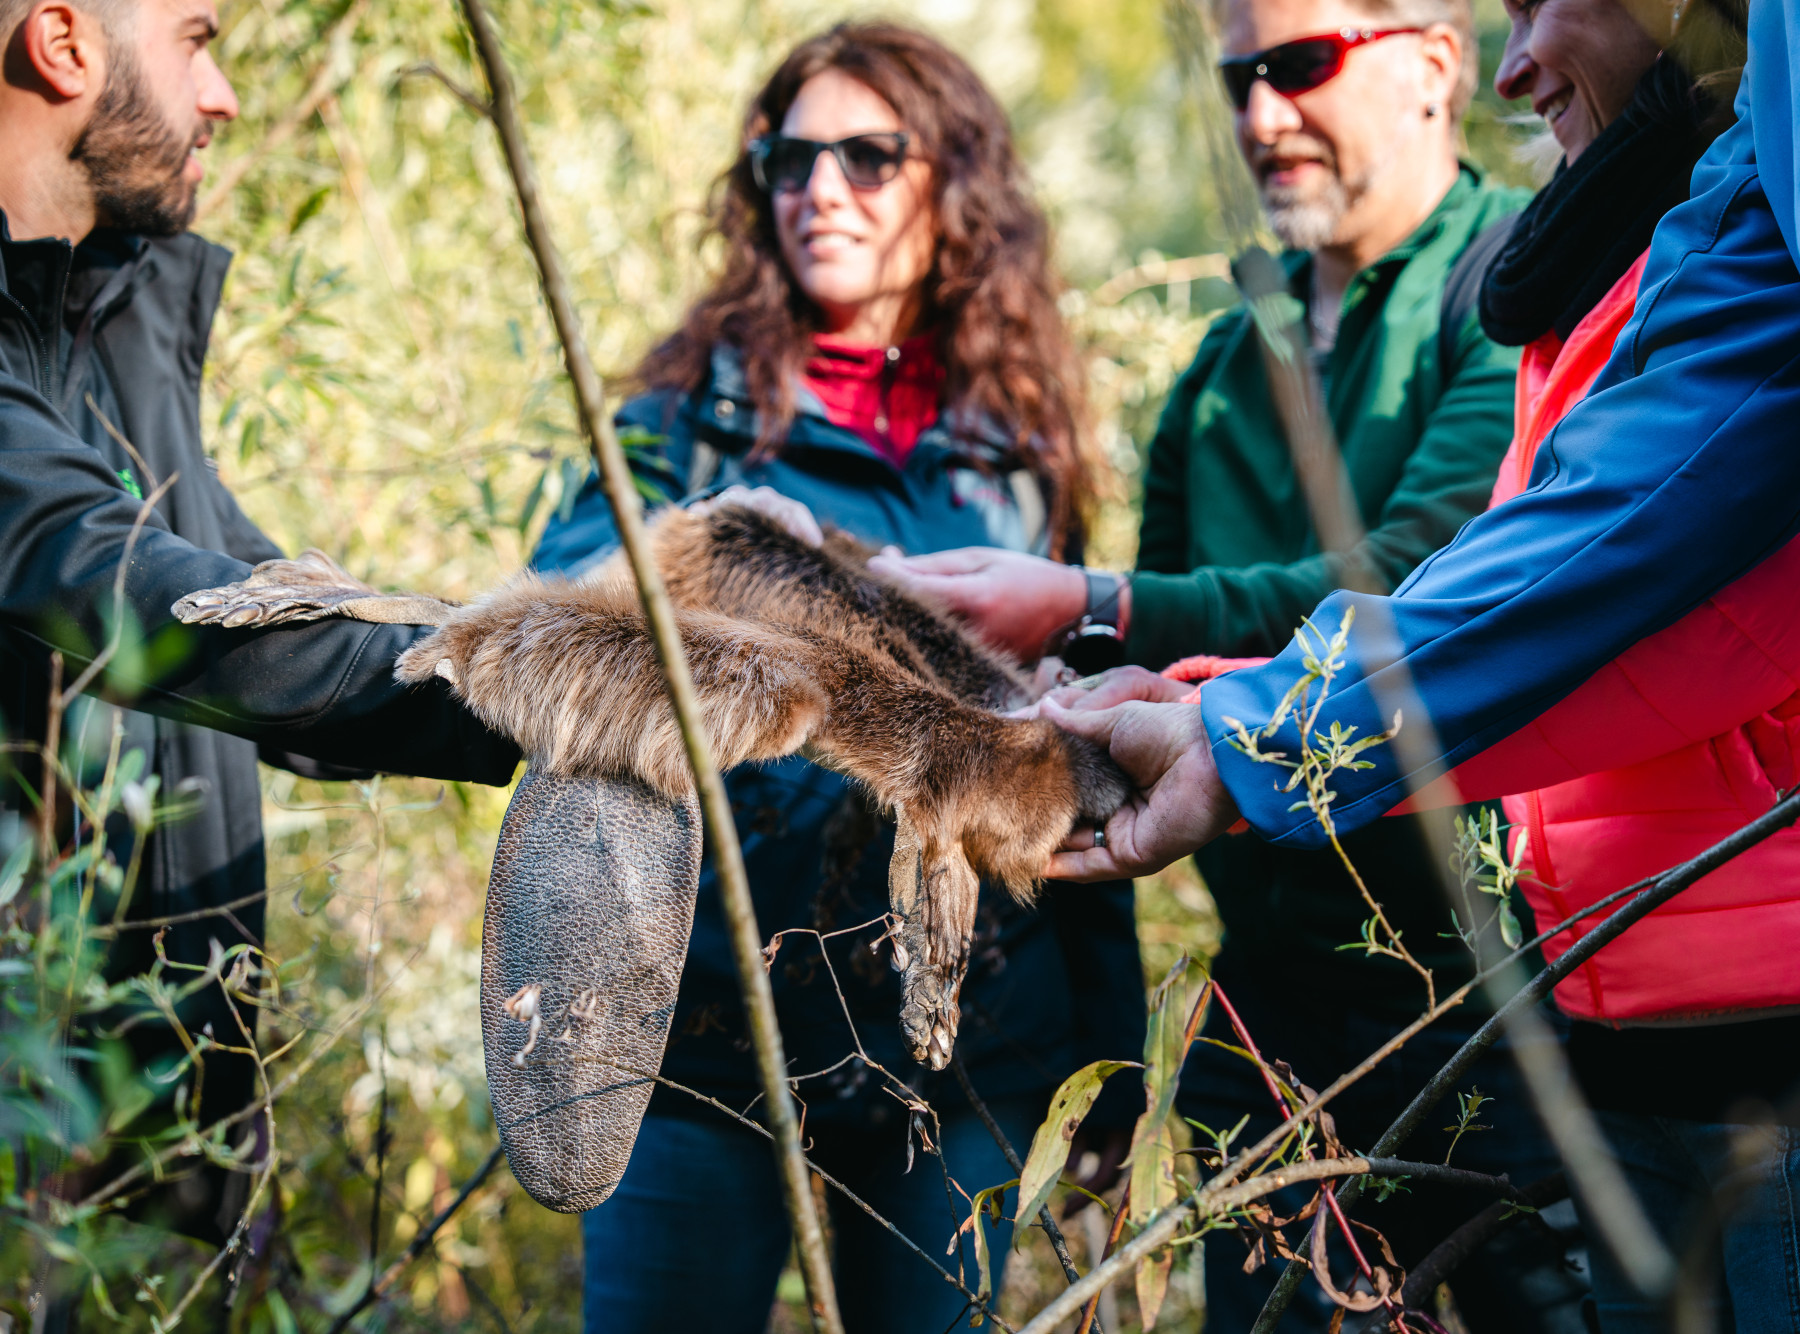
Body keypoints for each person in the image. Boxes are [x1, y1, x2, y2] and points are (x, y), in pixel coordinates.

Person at [1040, 0, 1800, 1327]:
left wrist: (1241, 727)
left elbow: (1666, 596)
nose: (1516, 63)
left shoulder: (1764, 195)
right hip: (1647, 1057)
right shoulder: (1633, 246)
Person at [871, 1, 1586, 1327]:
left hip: (1494, 1014)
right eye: (1238, 78)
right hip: (1266, 1034)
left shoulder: (1517, 282)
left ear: (1435, 64)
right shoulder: (1217, 365)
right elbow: (1146, 676)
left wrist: (1094, 596)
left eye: (1302, 67)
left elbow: (1426, 574)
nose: (1259, 117)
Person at [528, 25, 1145, 1333]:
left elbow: (1068, 748)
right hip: (705, 1031)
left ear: (955, 186)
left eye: (871, 156)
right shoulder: (683, 422)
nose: (824, 189)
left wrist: (1115, 1056)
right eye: (791, 158)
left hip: (958, 1047)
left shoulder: (1017, 458)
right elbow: (572, 625)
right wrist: (748, 564)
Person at [0, 0, 519, 1248]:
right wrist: (562, 693)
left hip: (171, 1154)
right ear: (65, 44)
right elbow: (123, 592)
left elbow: (271, 608)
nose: (221, 93)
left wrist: (598, 645)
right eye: (195, 37)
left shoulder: (101, 325)